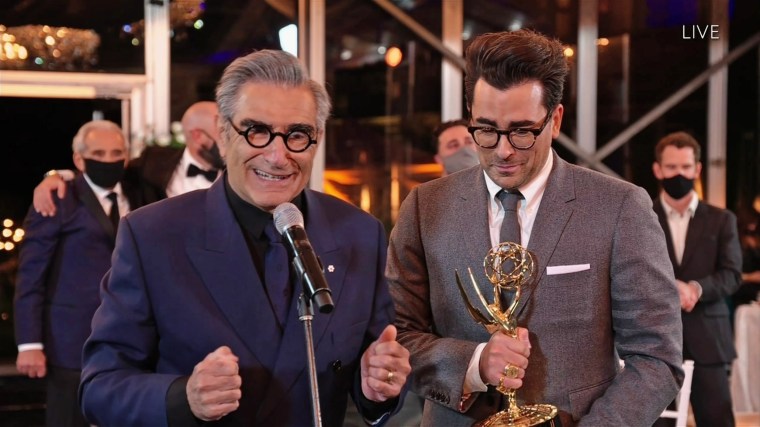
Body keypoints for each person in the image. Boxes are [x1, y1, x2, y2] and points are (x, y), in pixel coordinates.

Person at [79, 49, 411, 426]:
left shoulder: (360, 233)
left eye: (297, 135)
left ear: (316, 141)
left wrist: (378, 386)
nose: (277, 155)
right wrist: (183, 396)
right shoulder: (153, 234)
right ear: (223, 135)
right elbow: (99, 388)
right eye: (257, 131)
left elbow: (378, 367)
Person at [386, 29, 683, 427]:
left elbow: (657, 357)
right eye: (486, 129)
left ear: (555, 120)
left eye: (523, 131)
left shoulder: (619, 207)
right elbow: (396, 335)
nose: (503, 150)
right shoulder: (425, 206)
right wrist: (473, 364)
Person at [14, 120, 146, 427]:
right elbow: (32, 273)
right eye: (98, 152)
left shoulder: (140, 193)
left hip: (131, 339)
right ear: (78, 159)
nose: (108, 160)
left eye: (117, 152)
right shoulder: (57, 197)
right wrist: (29, 344)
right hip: (69, 340)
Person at [651, 131, 742, 427]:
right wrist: (669, 290)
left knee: (717, 421)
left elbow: (732, 275)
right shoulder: (640, 216)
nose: (680, 174)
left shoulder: (721, 219)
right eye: (672, 167)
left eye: (686, 167)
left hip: (708, 339)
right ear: (658, 170)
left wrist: (696, 289)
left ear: (698, 170)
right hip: (653, 342)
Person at [32, 101, 223, 216]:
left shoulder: (238, 169)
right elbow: (106, 171)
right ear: (198, 136)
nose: (231, 140)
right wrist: (56, 176)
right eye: (222, 133)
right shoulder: (155, 161)